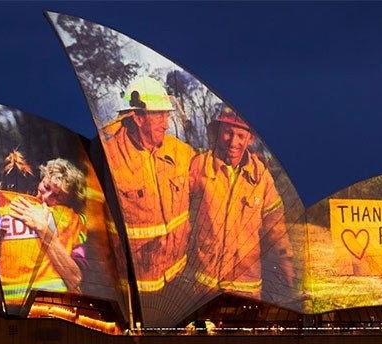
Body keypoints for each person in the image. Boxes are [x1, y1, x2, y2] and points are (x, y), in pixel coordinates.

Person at [187, 107, 296, 299]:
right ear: (218, 132)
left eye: (240, 135)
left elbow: (276, 226)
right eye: (228, 133)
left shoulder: (261, 177)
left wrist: (286, 262)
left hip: (246, 286)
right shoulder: (199, 166)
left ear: (250, 138)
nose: (233, 142)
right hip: (203, 286)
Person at [101, 76, 195, 292]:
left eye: (167, 115)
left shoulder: (180, 152)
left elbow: (207, 175)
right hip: (137, 287)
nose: (166, 123)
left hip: (177, 276)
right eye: (159, 115)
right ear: (138, 118)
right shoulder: (109, 158)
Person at [0, 158, 87, 308]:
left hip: (49, 308)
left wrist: (43, 228)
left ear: (68, 202)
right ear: (42, 178)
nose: (46, 197)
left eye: (57, 196)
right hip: (2, 304)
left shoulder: (70, 221)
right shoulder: (7, 205)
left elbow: (75, 278)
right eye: (46, 186)